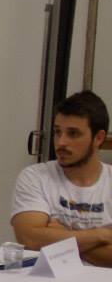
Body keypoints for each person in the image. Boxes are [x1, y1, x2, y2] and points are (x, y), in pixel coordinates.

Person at [11, 90, 112, 266]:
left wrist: (62, 234)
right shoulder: (35, 176)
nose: (61, 142)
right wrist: (101, 235)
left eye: (73, 133)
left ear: (99, 138)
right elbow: (30, 239)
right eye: (58, 132)